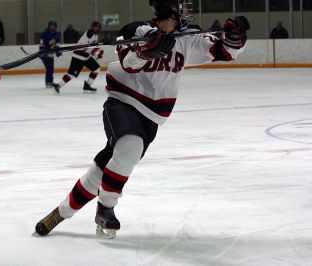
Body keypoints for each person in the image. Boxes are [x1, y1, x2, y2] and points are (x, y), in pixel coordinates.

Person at [35, 0, 249, 239]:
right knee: (130, 147)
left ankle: (61, 212)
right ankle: (106, 207)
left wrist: (235, 33)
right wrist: (148, 49)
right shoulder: (137, 31)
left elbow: (227, 51)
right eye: (181, 6)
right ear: (169, 10)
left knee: (103, 170)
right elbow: (128, 62)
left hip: (152, 117)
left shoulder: (188, 38)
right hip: (123, 102)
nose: (187, 11)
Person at [52, 21, 104, 93]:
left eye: (98, 27)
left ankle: (87, 85)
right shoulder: (90, 33)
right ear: (92, 27)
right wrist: (97, 52)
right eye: (95, 27)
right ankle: (58, 85)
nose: (97, 28)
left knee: (96, 69)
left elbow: (92, 47)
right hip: (78, 56)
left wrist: (99, 51)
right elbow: (90, 47)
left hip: (86, 56)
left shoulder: (95, 35)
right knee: (71, 74)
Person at [39, 20, 61, 88]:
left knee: (51, 68)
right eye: (51, 26)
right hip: (44, 54)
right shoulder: (44, 34)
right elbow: (41, 44)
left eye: (54, 26)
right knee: (49, 67)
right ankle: (49, 81)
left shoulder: (56, 34)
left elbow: (57, 44)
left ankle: (49, 81)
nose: (52, 27)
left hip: (51, 54)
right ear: (49, 26)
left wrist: (58, 51)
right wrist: (43, 51)